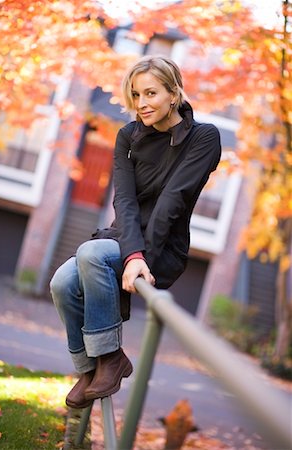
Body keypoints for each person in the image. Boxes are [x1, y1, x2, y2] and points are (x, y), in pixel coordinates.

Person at [50, 55, 221, 409]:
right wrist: (130, 250)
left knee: (91, 254)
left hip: (162, 247)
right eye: (136, 94)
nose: (142, 103)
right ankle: (91, 368)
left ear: (174, 94)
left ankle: (109, 358)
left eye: (151, 93)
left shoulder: (204, 138)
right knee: (61, 283)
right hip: (124, 238)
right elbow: (124, 201)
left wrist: (138, 257)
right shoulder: (128, 135)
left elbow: (173, 201)